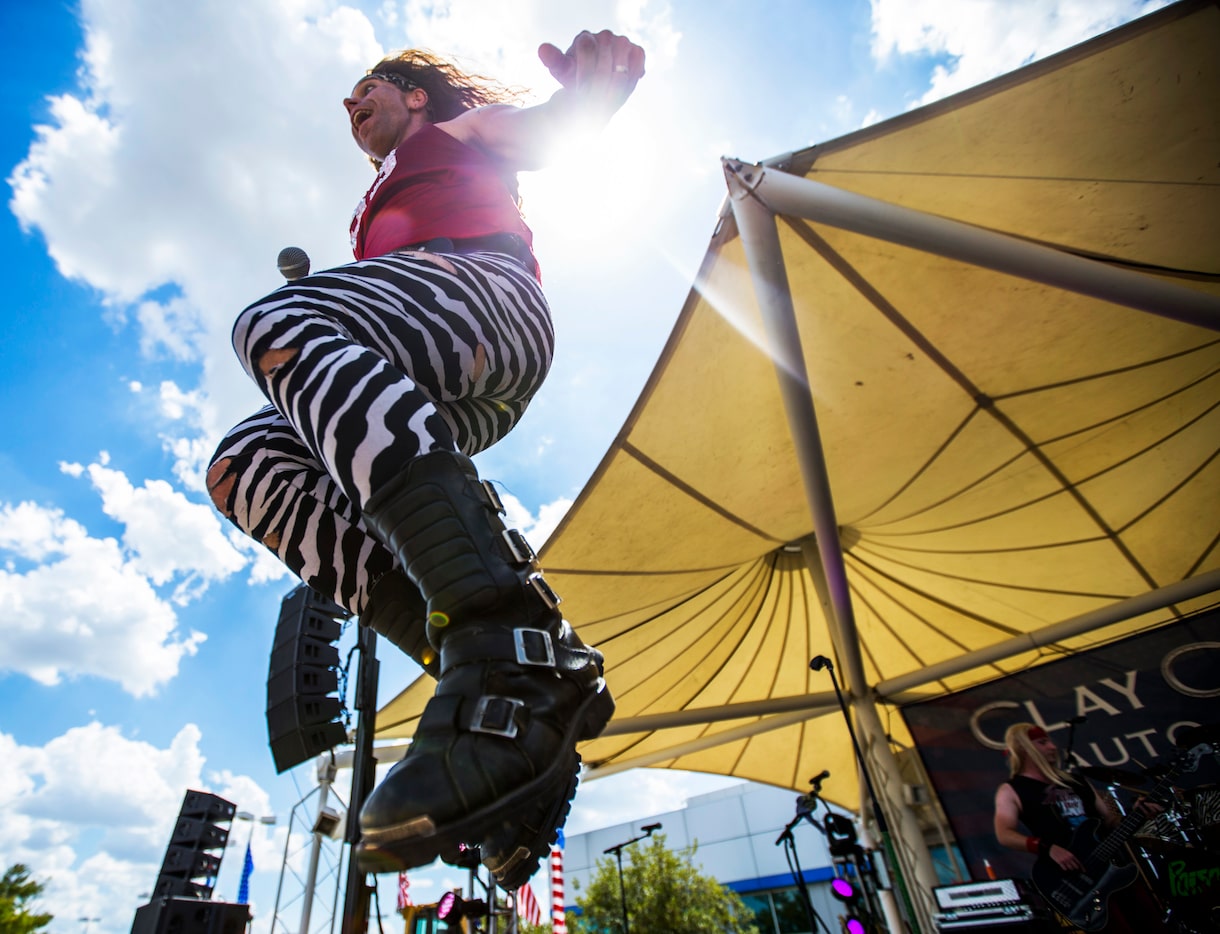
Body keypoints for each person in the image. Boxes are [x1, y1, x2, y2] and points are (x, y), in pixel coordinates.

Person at [206, 30, 645, 888]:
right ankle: (496, 700)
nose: (349, 105)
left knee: (272, 327)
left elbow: (548, 129)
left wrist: (591, 95)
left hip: (489, 306)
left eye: (365, 88)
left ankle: (505, 642)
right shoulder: (371, 209)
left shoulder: (456, 133)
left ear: (415, 97)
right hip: (436, 378)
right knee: (247, 460)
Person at [993, 723, 1163, 933]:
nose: (1053, 747)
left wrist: (1138, 814)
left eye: (1050, 741)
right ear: (1025, 748)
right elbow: (1004, 834)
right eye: (1043, 742)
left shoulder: (1076, 782)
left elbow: (1110, 822)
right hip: (1072, 878)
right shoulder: (1011, 790)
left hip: (1113, 868)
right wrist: (1047, 848)